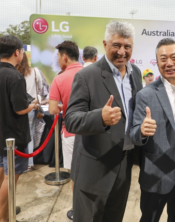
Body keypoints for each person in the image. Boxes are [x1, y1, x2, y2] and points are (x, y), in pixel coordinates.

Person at [65, 21, 143, 222]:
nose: (122, 52)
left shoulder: (136, 73)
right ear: (105, 44)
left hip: (123, 168)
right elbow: (71, 120)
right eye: (116, 45)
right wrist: (99, 117)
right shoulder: (86, 76)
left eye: (127, 47)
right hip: (93, 170)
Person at [130, 38, 175, 222]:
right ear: (157, 62)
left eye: (174, 57)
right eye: (163, 59)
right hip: (156, 169)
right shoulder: (146, 94)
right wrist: (142, 131)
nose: (169, 63)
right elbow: (133, 133)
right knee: (150, 218)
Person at [0, 35, 38, 222]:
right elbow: (21, 108)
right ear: (17, 52)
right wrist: (33, 105)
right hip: (13, 137)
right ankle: (4, 218)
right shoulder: (15, 76)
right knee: (10, 178)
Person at [48, 40, 83, 221]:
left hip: (70, 132)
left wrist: (66, 107)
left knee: (75, 175)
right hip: (93, 132)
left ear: (65, 57)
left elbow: (53, 109)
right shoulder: (91, 73)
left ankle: (77, 211)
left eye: (58, 56)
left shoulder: (59, 78)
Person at [16, 53, 43, 172]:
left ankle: (20, 162)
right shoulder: (35, 71)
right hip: (31, 106)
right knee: (30, 136)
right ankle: (29, 163)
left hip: (18, 108)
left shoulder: (14, 72)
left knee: (18, 137)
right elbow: (40, 88)